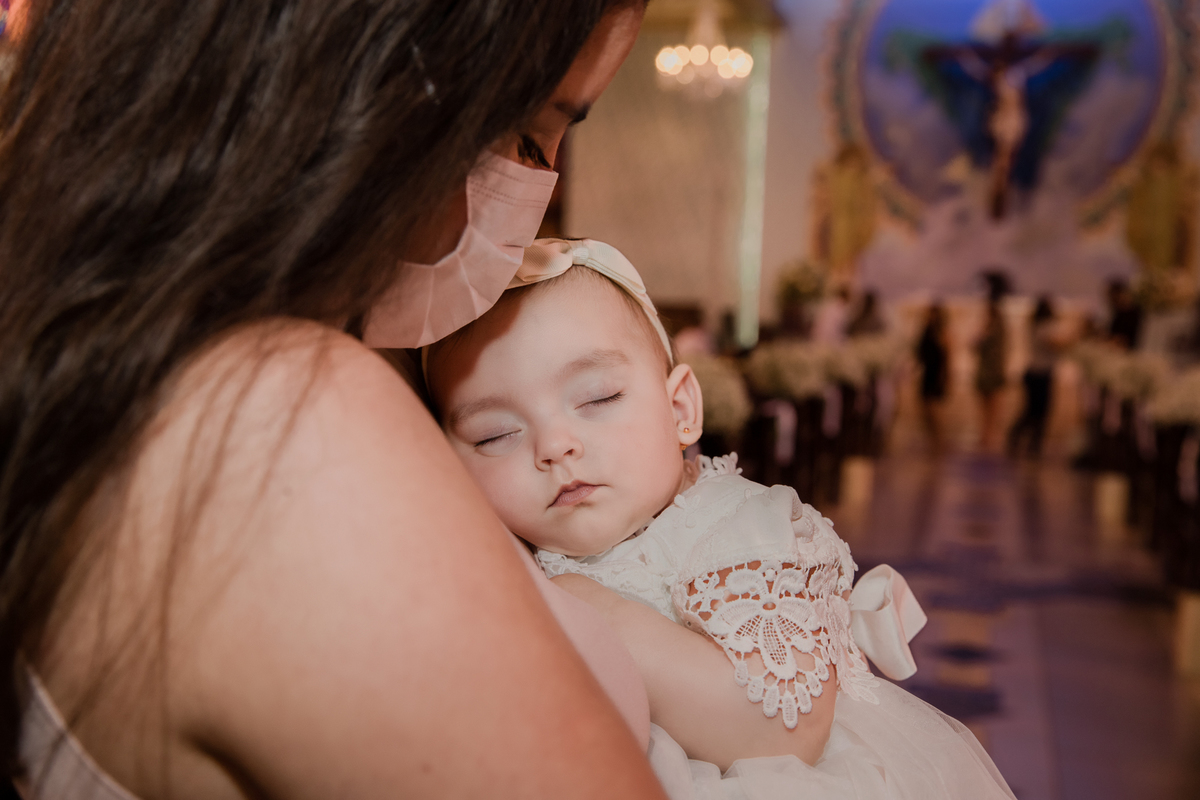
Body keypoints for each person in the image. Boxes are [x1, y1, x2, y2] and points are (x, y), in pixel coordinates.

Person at [1, 2, 673, 799]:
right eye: (529, 137)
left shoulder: (139, 359)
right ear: (378, 90)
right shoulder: (275, 424)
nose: (529, 192)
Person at [425, 239, 1018, 800]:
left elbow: (784, 727)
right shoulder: (504, 555)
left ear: (680, 408)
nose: (554, 445)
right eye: (496, 433)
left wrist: (591, 609)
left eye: (598, 398)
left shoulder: (740, 526)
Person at [1007, 296, 1066, 457]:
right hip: (1040, 374)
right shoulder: (1044, 328)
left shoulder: (1033, 326)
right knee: (1038, 412)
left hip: (1034, 372)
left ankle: (1025, 441)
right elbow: (1056, 344)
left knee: (1033, 411)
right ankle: (1029, 443)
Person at [975, 273, 1010, 452]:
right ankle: (988, 436)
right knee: (990, 408)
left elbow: (981, 342)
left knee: (992, 408)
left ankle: (989, 437)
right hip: (990, 368)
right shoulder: (998, 319)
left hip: (991, 369)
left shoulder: (996, 318)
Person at [916, 301, 951, 453]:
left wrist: (945, 376)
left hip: (936, 372)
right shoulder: (926, 329)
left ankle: (939, 441)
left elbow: (947, 354)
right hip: (927, 371)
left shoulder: (940, 331)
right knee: (925, 408)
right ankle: (932, 440)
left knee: (934, 409)